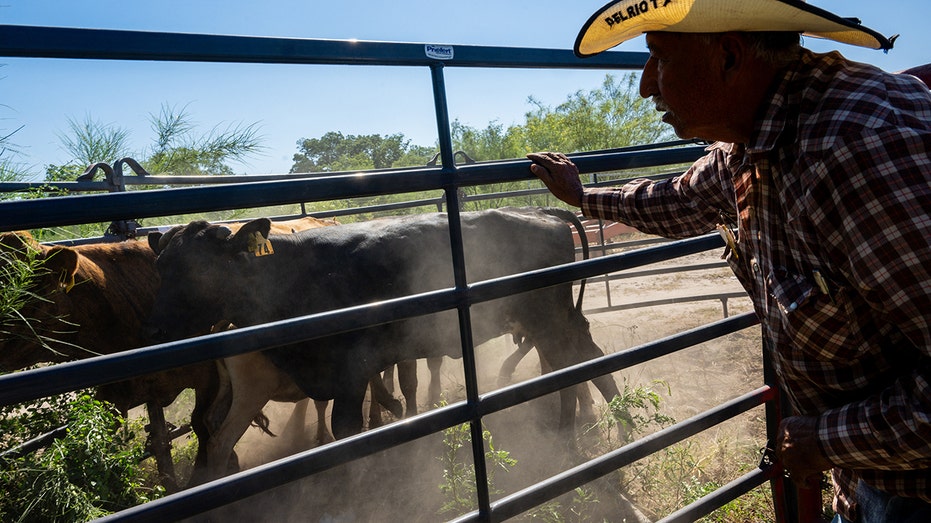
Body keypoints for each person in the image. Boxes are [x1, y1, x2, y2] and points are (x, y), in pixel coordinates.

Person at [527, 1, 931, 522]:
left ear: (729, 56)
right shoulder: (750, 142)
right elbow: (678, 199)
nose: (647, 84)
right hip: (872, 477)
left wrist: (823, 439)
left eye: (659, 57)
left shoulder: (857, 153)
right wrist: (584, 199)